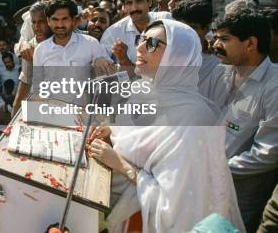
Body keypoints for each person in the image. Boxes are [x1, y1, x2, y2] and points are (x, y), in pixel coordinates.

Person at [88, 19, 244, 232]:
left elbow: (179, 208)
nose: (139, 47)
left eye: (151, 43)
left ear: (178, 57)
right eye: (140, 39)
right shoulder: (142, 90)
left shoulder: (194, 119)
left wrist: (121, 165)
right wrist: (111, 132)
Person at [201, 10, 278, 232]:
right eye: (215, 38)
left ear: (251, 43)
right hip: (206, 186)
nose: (215, 44)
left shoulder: (273, 85)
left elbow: (268, 153)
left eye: (224, 39)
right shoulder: (221, 73)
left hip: (239, 199)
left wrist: (216, 168)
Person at [101, 0, 171, 68]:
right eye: (129, 3)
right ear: (124, 6)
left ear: (149, 2)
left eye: (139, 1)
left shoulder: (167, 20)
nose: (134, 8)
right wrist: (123, 59)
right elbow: (104, 65)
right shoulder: (113, 33)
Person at [171, 0, 219, 91]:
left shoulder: (216, 67)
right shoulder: (160, 59)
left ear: (206, 28)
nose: (186, 34)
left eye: (192, 28)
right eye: (180, 28)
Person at [13, 2, 51, 113]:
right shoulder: (30, 47)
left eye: (41, 22)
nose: (37, 27)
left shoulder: (62, 41)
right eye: (33, 22)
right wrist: (16, 108)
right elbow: (26, 79)